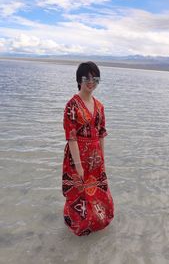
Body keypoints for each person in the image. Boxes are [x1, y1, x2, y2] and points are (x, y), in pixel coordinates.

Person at [62, 61, 114, 236]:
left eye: (95, 78)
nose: (91, 82)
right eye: (87, 78)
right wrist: (78, 165)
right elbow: (71, 137)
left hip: (95, 158)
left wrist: (102, 159)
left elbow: (101, 134)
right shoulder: (72, 105)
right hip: (76, 156)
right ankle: (79, 224)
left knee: (98, 190)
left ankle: (98, 221)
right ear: (79, 79)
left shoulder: (100, 106)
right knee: (79, 192)